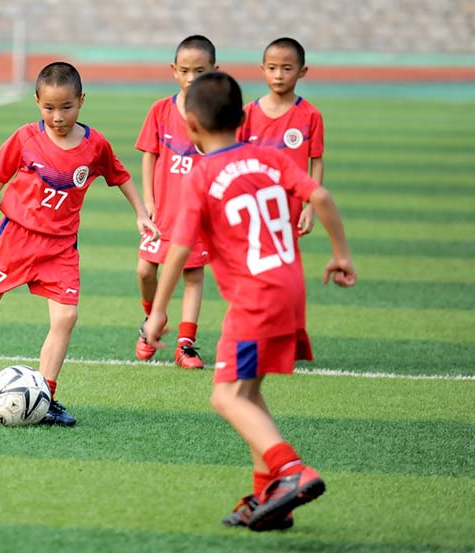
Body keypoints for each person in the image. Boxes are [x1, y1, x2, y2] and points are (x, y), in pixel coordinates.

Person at [143, 71, 356, 531]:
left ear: (192, 128)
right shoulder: (268, 157)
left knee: (225, 397)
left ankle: (290, 470)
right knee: (249, 393)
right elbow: (319, 194)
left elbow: (178, 249)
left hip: (253, 300)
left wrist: (158, 310)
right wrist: (341, 256)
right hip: (290, 289)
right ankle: (269, 499)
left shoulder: (200, 175)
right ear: (243, 119)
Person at [0, 61, 160, 427]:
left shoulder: (95, 146)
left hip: (60, 247)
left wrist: (141, 213)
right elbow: (0, 172)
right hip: (17, 239)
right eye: (49, 108)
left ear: (81, 101)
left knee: (66, 317)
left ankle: (46, 397)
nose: (58, 117)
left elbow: (121, 176)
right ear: (38, 103)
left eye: (67, 107)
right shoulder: (26, 138)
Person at [134, 35, 217, 369]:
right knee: (144, 269)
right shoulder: (160, 110)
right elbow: (149, 156)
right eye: (185, 70)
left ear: (214, 71)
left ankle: (186, 345)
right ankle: (153, 320)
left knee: (193, 275)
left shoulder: (215, 116)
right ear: (174, 70)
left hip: (198, 214)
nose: (192, 78)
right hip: (163, 211)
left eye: (200, 71)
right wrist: (149, 201)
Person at [237, 37, 324, 237]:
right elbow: (233, 160)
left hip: (288, 211)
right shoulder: (247, 113)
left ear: (302, 72)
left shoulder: (311, 115)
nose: (278, 75)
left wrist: (311, 206)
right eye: (272, 68)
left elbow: (316, 161)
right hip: (251, 205)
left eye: (287, 68)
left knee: (283, 265)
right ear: (262, 69)